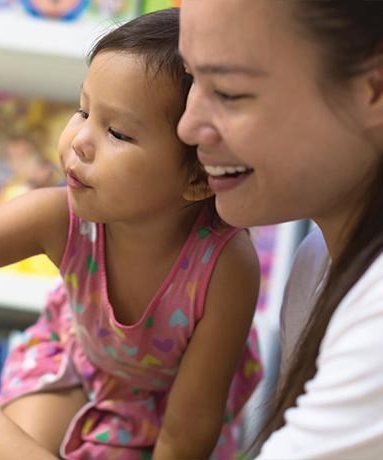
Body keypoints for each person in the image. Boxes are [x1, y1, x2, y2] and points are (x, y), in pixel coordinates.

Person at [0, 8, 262, 460]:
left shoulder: (226, 267)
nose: (79, 139)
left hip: (164, 406)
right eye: (83, 109)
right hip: (72, 361)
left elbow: (189, 428)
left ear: (201, 176)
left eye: (117, 132)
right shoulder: (58, 215)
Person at [177, 0, 383, 459]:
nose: (187, 127)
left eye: (228, 92)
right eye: (191, 79)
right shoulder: (316, 260)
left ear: (374, 88)